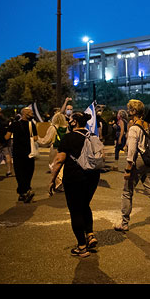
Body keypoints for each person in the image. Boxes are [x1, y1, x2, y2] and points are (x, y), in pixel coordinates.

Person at [114, 99, 150, 232]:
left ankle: (124, 223)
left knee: (127, 192)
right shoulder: (148, 125)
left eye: (130, 109)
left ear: (134, 111)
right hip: (148, 161)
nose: (128, 111)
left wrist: (128, 167)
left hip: (138, 161)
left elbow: (132, 149)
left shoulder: (134, 128)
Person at [48, 111, 101, 258]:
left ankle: (82, 247)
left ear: (74, 122)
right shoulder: (93, 136)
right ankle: (90, 235)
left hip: (75, 178)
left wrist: (52, 180)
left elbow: (59, 160)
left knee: (76, 210)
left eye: (70, 120)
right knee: (85, 205)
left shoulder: (68, 138)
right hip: (93, 177)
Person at [5, 107, 38, 203]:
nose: (32, 114)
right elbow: (35, 138)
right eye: (30, 112)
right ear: (25, 114)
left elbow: (7, 136)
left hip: (17, 153)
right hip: (29, 153)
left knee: (19, 173)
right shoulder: (31, 124)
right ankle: (26, 189)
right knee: (28, 172)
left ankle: (22, 192)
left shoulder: (14, 124)